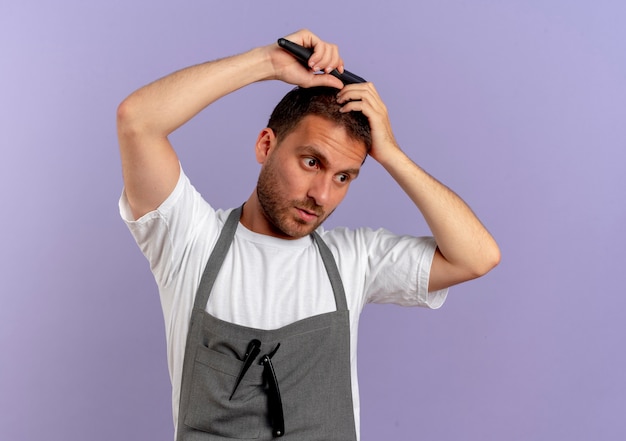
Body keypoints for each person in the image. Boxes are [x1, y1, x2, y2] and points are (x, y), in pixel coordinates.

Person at [117, 29, 500, 441]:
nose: (322, 195)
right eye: (311, 161)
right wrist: (268, 63)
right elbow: (138, 121)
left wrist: (390, 151)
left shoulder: (354, 260)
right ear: (267, 145)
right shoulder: (189, 240)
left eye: (343, 176)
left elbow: (476, 256)